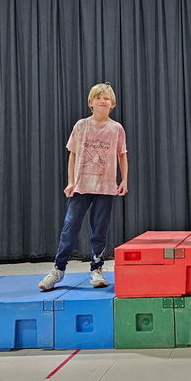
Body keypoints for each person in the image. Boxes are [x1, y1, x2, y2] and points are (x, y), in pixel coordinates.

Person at [39, 83, 128, 291]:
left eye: (106, 98)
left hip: (105, 188)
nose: (102, 101)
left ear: (112, 104)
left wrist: (124, 180)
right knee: (70, 228)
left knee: (100, 230)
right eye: (98, 98)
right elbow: (73, 154)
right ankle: (58, 269)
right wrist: (71, 182)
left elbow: (122, 155)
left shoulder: (116, 128)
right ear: (90, 102)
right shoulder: (81, 126)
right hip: (81, 186)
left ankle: (96, 268)